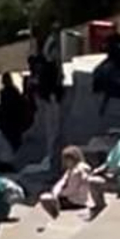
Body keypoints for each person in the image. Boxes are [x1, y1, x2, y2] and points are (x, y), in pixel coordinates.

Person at [29, 31, 66, 162]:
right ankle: (51, 153)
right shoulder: (47, 67)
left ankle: (52, 153)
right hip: (50, 99)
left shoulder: (46, 66)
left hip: (49, 98)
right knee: (52, 128)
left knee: (53, 128)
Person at [40, 145, 104, 219]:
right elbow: (62, 181)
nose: (65, 162)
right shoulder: (71, 169)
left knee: (44, 198)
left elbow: (71, 190)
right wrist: (55, 192)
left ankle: (55, 213)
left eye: (67, 160)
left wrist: (59, 194)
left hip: (76, 201)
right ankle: (55, 209)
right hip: (71, 197)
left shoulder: (77, 171)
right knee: (48, 197)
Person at [0, 72, 31, 155]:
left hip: (11, 121)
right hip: (13, 121)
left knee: (11, 142)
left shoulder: (6, 92)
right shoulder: (13, 91)